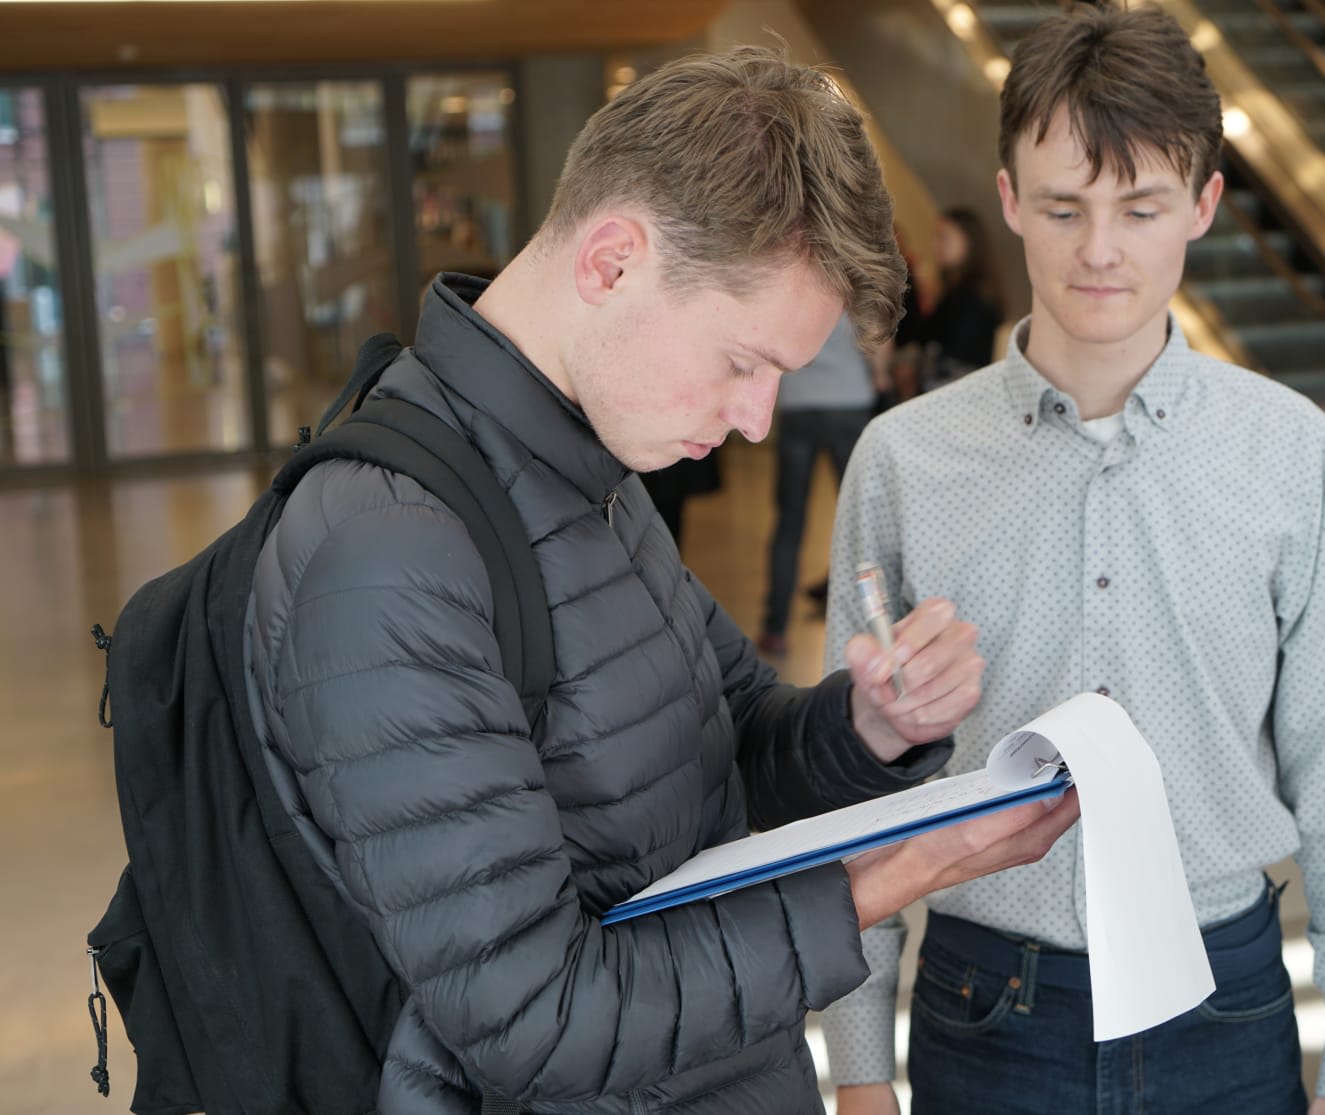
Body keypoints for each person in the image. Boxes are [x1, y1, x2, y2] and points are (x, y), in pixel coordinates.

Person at [243, 47, 1079, 1114]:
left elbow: (724, 742)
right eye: (744, 361)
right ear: (613, 262)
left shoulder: (592, 458)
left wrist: (870, 726)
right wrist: (896, 876)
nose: (758, 418)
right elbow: (536, 1022)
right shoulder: (386, 559)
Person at [821, 5, 1325, 1114]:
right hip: (982, 1003)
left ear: (1202, 204)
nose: (1100, 249)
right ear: (1009, 199)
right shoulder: (904, 459)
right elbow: (853, 795)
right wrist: (859, 1067)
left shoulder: (1290, 451)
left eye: (1141, 207)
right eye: (1063, 207)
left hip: (1226, 1000)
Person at [758, 311, 879, 656]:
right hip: (849, 402)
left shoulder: (789, 275)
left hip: (799, 403)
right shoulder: (856, 280)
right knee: (861, 520)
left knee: (789, 521)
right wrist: (882, 376)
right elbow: (877, 340)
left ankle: (775, 628)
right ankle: (871, 630)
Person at [912, 206, 1004, 393]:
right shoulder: (957, 291)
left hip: (955, 396)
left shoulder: (971, 298)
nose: (935, 245)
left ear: (969, 242)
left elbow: (951, 352)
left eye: (944, 237)